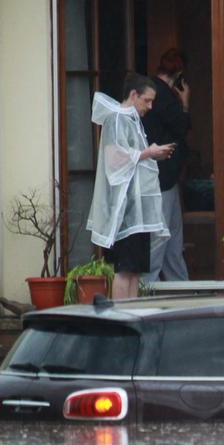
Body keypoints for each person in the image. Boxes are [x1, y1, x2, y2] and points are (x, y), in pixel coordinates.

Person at [88, 74, 174, 299]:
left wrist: (150, 154)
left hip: (137, 210)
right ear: (134, 95)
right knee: (124, 270)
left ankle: (134, 315)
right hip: (125, 209)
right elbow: (114, 159)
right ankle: (121, 316)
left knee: (135, 270)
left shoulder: (132, 120)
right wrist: (149, 153)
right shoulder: (117, 118)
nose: (150, 106)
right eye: (147, 100)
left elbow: (130, 157)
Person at [143, 48, 192, 283]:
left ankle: (178, 285)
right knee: (163, 237)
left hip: (161, 177)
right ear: (179, 74)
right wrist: (185, 102)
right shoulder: (164, 96)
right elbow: (181, 126)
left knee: (169, 239)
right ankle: (147, 285)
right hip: (162, 178)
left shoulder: (151, 90)